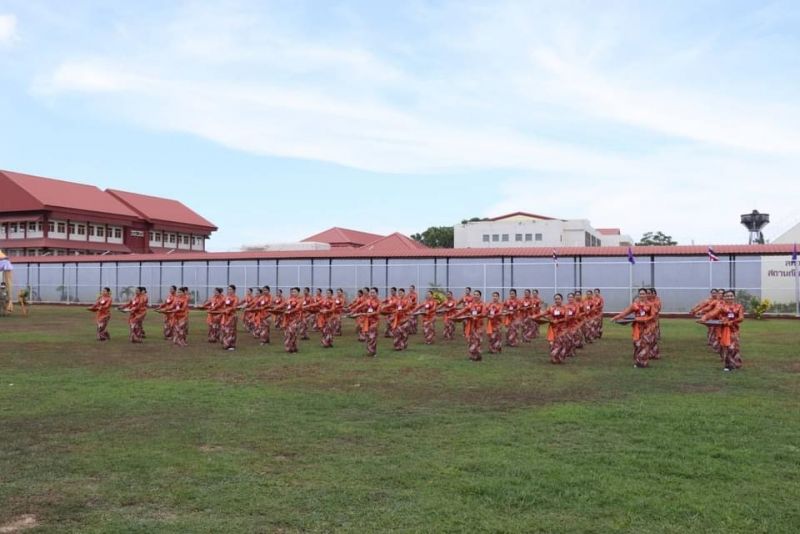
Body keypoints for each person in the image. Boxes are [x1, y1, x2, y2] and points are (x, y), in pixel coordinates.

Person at [699, 289, 744, 371]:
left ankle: (736, 363)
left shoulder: (739, 306)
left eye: (731, 296)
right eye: (727, 296)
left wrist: (732, 321)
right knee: (727, 346)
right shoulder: (721, 306)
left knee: (734, 348)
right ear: (724, 297)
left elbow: (741, 318)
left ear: (734, 297)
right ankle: (728, 365)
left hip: (734, 329)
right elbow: (712, 313)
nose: (729, 297)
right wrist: (704, 318)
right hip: (723, 329)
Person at [612, 288, 657, 368]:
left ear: (646, 295)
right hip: (637, 327)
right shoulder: (635, 304)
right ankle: (638, 360)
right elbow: (625, 313)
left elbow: (653, 316)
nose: (642, 295)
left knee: (645, 344)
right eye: (640, 294)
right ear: (638, 295)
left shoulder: (650, 305)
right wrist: (616, 318)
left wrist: (643, 319)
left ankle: (643, 363)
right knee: (637, 343)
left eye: (643, 294)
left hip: (647, 327)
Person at [533, 293, 568, 364]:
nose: (557, 300)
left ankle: (559, 357)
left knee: (561, 343)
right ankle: (554, 357)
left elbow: (566, 318)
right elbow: (544, 313)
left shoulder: (565, 308)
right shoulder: (552, 308)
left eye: (558, 299)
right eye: (555, 299)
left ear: (562, 300)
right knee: (552, 343)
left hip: (562, 329)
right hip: (552, 328)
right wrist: (536, 316)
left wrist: (558, 321)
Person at [455, 289, 485, 361]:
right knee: (471, 340)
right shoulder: (471, 304)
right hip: (471, 325)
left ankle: (477, 356)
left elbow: (484, 313)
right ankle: (473, 356)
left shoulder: (482, 304)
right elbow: (463, 310)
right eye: (474, 294)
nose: (475, 296)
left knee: (477, 340)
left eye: (477, 295)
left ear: (480, 296)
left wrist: (476, 315)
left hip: (478, 326)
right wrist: (455, 316)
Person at [218, 285, 240, 351]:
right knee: (223, 329)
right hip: (225, 316)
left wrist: (227, 310)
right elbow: (221, 304)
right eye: (228, 289)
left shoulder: (236, 298)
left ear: (234, 290)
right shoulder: (226, 297)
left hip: (232, 316)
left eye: (230, 289)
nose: (229, 291)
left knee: (231, 331)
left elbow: (234, 307)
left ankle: (231, 345)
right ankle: (226, 343)